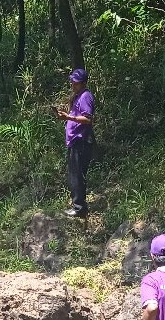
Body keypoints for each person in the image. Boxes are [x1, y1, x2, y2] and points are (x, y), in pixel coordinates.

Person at [55, 68, 95, 218]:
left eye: (76, 83)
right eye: (72, 82)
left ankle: (79, 208)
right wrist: (65, 115)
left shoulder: (86, 96)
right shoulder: (78, 97)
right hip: (74, 141)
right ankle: (78, 206)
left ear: (83, 83)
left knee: (77, 176)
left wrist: (69, 118)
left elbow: (88, 119)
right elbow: (74, 115)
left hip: (81, 141)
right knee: (74, 175)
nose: (73, 85)